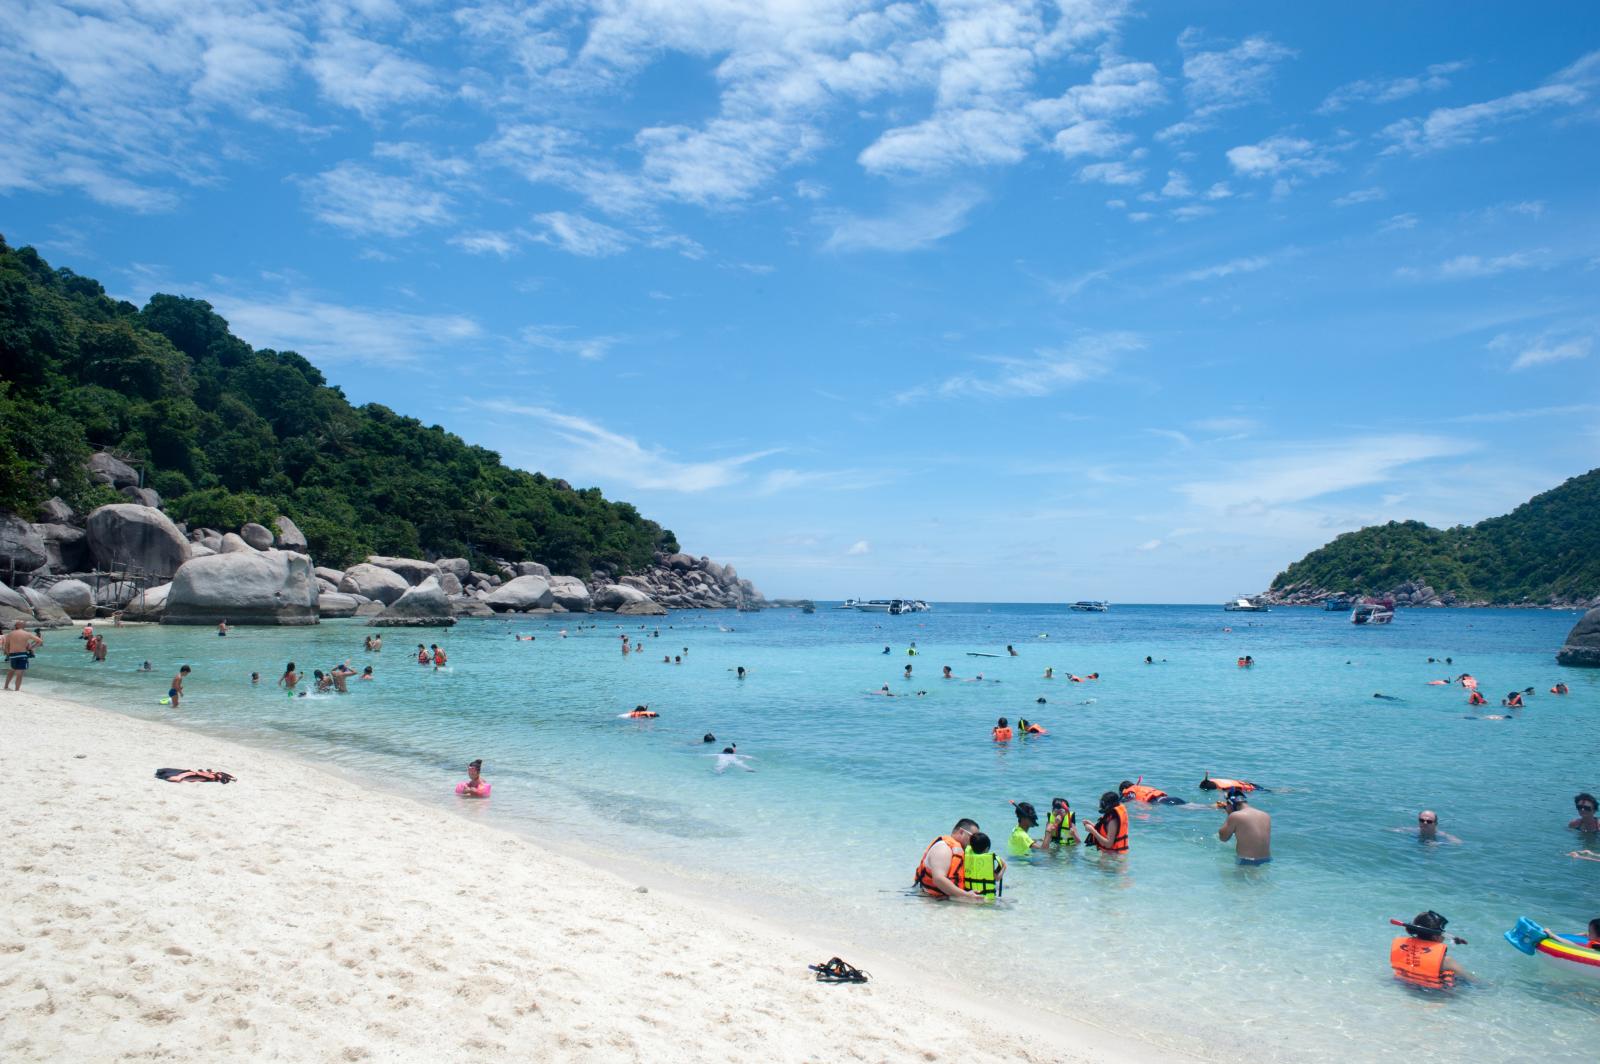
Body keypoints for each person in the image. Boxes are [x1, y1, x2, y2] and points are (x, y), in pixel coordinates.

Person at [1390, 911, 1468, 988]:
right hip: (1436, 997)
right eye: (1443, 931)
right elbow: (1472, 981)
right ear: (1435, 937)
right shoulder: (1447, 962)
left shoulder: (1401, 951)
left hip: (1406, 987)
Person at [913, 819, 985, 902]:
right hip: (930, 901)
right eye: (973, 837)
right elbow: (939, 879)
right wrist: (966, 895)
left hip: (944, 900)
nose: (974, 842)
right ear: (961, 832)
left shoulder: (961, 852)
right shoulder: (943, 848)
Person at [1216, 788, 1272, 864]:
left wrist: (1229, 814)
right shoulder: (1265, 815)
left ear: (1230, 804)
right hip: (1266, 860)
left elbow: (1223, 838)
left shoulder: (1235, 816)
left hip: (1247, 861)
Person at [3, 620, 44, 691]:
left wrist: (8, 654)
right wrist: (31, 647)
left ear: (17, 626)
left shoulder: (10, 634)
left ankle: (6, 686)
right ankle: (17, 689)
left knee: (12, 670)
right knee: (19, 673)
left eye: (15, 625)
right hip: (22, 655)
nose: (14, 626)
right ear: (23, 626)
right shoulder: (27, 634)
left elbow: (6, 646)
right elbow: (40, 641)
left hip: (12, 655)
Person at [963, 832, 1004, 899]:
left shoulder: (967, 853)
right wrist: (1004, 866)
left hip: (970, 895)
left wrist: (973, 837)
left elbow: (971, 844)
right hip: (986, 899)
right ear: (987, 849)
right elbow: (997, 878)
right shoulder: (988, 861)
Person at [1120, 779, 1187, 805]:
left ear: (1124, 789)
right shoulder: (1140, 788)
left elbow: (1129, 798)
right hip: (1169, 798)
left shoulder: (1130, 791)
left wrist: (1120, 800)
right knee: (1190, 806)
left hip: (1162, 801)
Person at [1199, 773, 1267, 794]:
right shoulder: (1216, 781)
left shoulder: (1223, 788)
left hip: (1254, 788)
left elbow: (1238, 790)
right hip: (1250, 784)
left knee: (1268, 791)